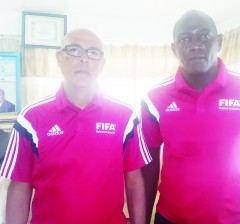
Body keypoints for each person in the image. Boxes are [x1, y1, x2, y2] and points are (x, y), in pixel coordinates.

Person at [141, 10, 240, 224]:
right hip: (170, 219)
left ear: (219, 42)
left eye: (204, 36)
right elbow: (149, 165)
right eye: (185, 38)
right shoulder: (154, 100)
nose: (195, 45)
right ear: (174, 49)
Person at [0, 28, 151, 224]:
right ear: (59, 58)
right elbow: (20, 186)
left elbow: (134, 182)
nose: (84, 59)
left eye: (93, 52)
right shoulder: (31, 118)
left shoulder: (125, 116)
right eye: (74, 50)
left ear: (102, 63)